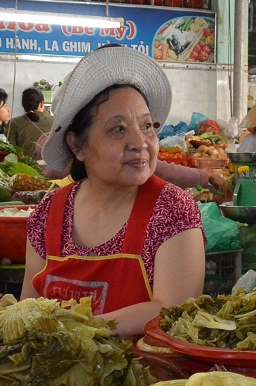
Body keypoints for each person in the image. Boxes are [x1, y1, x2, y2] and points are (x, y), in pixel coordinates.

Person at [21, 46, 205, 338]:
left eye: (146, 126)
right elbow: (27, 310)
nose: (140, 142)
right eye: (118, 130)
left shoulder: (171, 209)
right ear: (77, 145)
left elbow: (174, 311)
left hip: (146, 378)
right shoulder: (49, 212)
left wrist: (81, 331)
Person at [6, 87, 55, 159]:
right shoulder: (54, 121)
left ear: (23, 105)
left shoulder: (13, 123)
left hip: (24, 168)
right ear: (41, 104)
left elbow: (11, 151)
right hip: (50, 168)